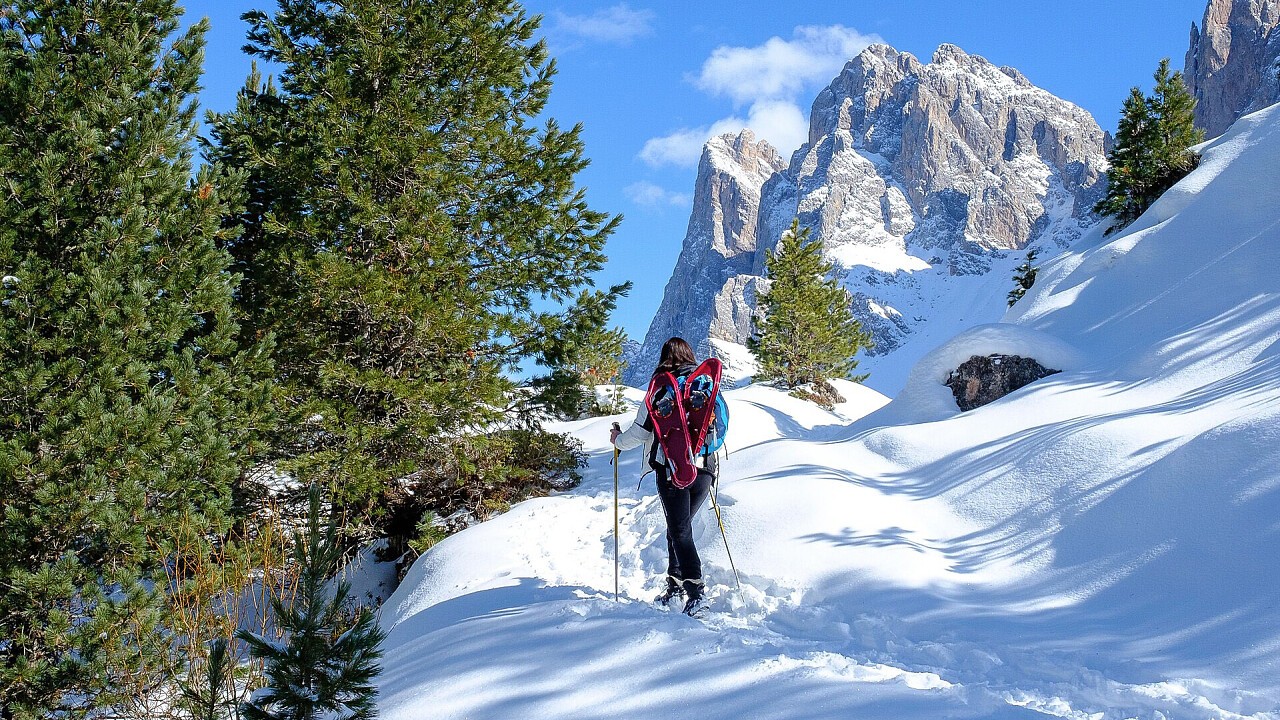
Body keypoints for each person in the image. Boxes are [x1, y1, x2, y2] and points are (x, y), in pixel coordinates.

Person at [610, 336, 718, 616]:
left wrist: (618, 441)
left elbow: (641, 432)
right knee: (678, 528)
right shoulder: (704, 386)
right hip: (705, 467)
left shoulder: (662, 388)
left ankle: (695, 591)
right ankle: (674, 585)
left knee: (680, 529)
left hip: (671, 467)